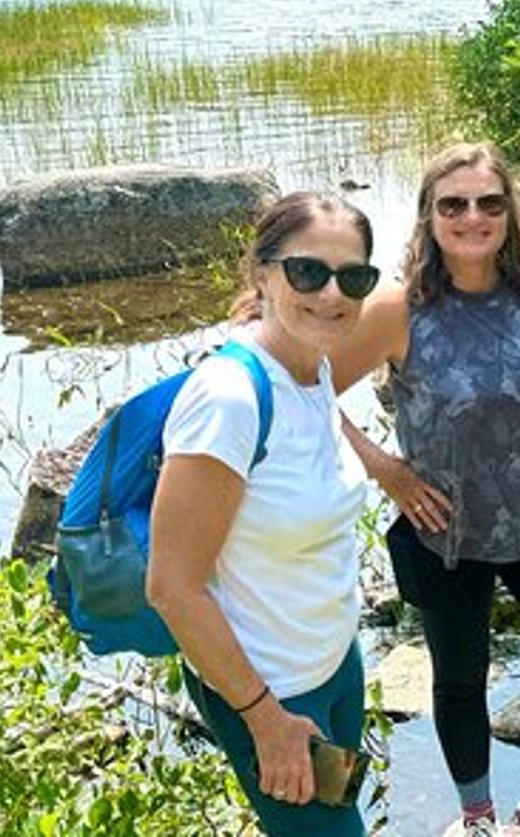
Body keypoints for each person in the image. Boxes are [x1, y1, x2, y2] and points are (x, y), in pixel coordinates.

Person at [330, 144, 520, 837]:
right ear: (429, 216)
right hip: (447, 531)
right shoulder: (398, 308)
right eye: (454, 203)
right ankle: (478, 819)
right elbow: (310, 388)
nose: (473, 216)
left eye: (489, 202)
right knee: (461, 681)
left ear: (510, 212)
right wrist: (385, 468)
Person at [147, 192, 380, 837]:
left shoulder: (315, 365)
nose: (332, 294)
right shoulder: (228, 399)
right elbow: (171, 586)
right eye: (308, 272)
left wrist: (386, 467)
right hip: (271, 689)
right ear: (262, 273)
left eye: (354, 277)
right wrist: (264, 718)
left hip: (334, 664)